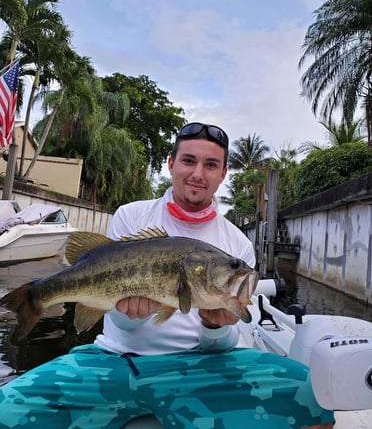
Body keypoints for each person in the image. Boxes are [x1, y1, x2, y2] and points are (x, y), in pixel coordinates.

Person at [0, 122, 335, 429]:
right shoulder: (131, 216)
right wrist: (131, 316)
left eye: (211, 165)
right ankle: (35, 298)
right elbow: (122, 324)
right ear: (171, 163)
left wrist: (214, 326)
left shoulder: (237, 244)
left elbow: (220, 346)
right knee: (6, 410)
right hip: (118, 360)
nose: (198, 173)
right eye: (188, 161)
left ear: (223, 174)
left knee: (316, 398)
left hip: (199, 368)